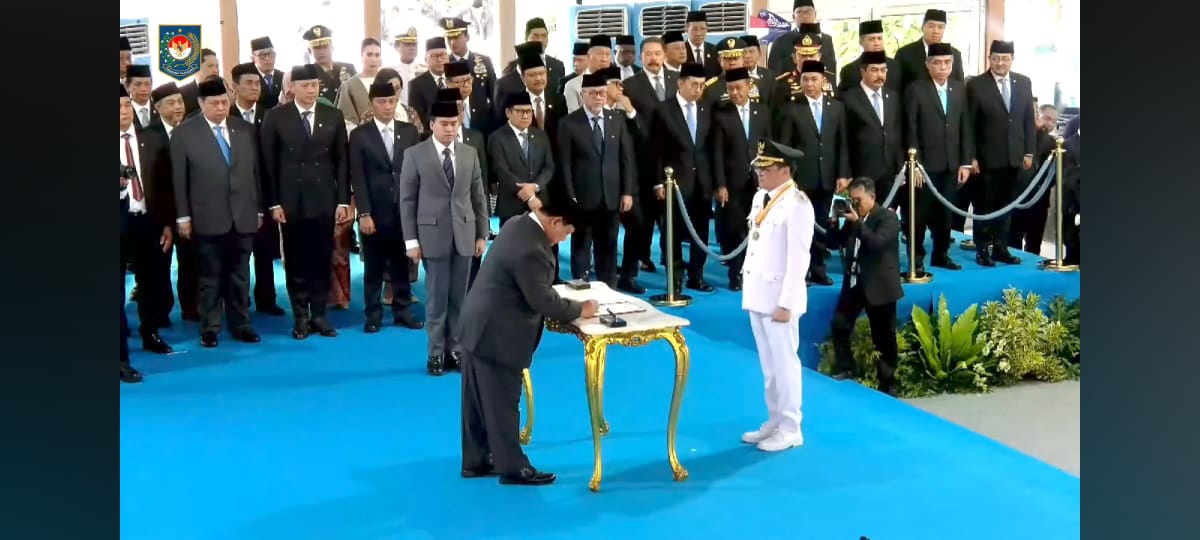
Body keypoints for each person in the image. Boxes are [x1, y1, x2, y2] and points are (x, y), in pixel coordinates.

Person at [458, 185, 599, 485]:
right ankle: (513, 467)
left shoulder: (517, 223)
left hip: (477, 324)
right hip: (497, 333)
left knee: (477, 401)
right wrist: (581, 309)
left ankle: (476, 460)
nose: (564, 239)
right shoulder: (532, 249)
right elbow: (542, 300)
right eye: (566, 232)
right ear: (555, 221)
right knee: (503, 402)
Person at [260, 64, 352, 339]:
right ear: (292, 88)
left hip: (324, 199)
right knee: (296, 260)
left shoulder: (333, 115)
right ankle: (300, 316)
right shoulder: (276, 117)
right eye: (305, 86)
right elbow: (268, 164)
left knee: (322, 258)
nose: (311, 90)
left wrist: (343, 201)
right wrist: (273, 203)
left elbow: (342, 162)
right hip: (290, 202)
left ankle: (319, 315)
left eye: (315, 85)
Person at [170, 78, 264, 348]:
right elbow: (179, 179)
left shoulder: (244, 129)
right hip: (206, 217)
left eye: (225, 102)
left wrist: (259, 208)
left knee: (240, 274)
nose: (221, 108)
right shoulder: (185, 133)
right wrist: (183, 217)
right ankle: (210, 327)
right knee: (209, 277)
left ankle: (241, 323)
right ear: (201, 103)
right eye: (215, 103)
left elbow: (255, 173)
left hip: (243, 214)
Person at [399, 100, 489, 376]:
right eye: (445, 124)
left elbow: (478, 196)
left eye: (454, 123)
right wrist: (411, 241)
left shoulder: (469, 153)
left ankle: (456, 349)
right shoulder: (415, 154)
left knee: (460, 298)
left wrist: (482, 234)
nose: (450, 129)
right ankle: (435, 352)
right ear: (432, 125)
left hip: (465, 233)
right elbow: (407, 200)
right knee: (437, 299)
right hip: (432, 235)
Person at [739, 139, 813, 452]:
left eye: (766, 168)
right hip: (759, 293)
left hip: (779, 298)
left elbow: (798, 259)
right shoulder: (761, 197)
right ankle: (775, 419)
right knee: (770, 367)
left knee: (785, 364)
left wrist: (787, 303)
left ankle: (791, 427)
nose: (759, 173)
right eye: (758, 167)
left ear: (784, 170)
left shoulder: (797, 204)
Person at [349, 81, 424, 332]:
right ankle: (373, 314)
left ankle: (402, 311)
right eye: (382, 102)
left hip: (404, 210)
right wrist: (364, 213)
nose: (388, 106)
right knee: (374, 266)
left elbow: (416, 172)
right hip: (375, 211)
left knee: (403, 263)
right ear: (372, 104)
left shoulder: (409, 131)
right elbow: (357, 176)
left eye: (392, 101)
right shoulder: (360, 135)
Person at [558, 71, 636, 287]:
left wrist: (627, 192)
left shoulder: (616, 119)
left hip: (611, 195)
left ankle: (608, 287)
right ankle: (580, 287)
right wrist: (570, 195)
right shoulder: (569, 123)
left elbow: (626, 158)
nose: (598, 97)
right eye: (592, 93)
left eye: (601, 93)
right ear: (583, 95)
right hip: (582, 196)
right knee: (581, 244)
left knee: (609, 244)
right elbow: (564, 163)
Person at [777, 60, 850, 286]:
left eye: (814, 79)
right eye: (805, 79)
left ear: (823, 81)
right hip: (801, 178)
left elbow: (843, 143)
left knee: (821, 224)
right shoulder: (791, 108)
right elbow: (785, 146)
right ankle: (800, 272)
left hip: (827, 176)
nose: (809, 84)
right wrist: (789, 177)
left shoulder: (836, 107)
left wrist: (843, 174)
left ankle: (818, 269)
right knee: (799, 227)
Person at [829, 177, 904, 396]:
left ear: (872, 197)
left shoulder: (888, 218)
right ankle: (845, 367)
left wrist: (857, 223)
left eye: (858, 200)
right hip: (854, 283)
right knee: (840, 325)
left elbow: (876, 243)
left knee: (884, 337)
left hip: (879, 285)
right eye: (851, 200)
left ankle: (888, 383)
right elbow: (833, 243)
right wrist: (834, 220)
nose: (855, 205)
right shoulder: (854, 219)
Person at [965, 40, 1035, 267]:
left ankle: (1001, 249)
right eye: (995, 58)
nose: (1000, 63)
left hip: (1014, 157)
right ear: (989, 59)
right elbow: (969, 124)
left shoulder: (1023, 82)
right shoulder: (976, 85)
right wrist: (971, 157)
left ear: (1012, 59)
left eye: (1005, 59)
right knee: (984, 206)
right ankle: (982, 249)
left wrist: (1029, 152)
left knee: (1007, 206)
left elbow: (1028, 120)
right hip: (986, 159)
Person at [905, 42, 972, 272]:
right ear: (928, 64)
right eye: (937, 63)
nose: (943, 67)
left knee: (946, 213)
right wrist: (915, 164)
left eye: (947, 62)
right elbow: (911, 128)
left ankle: (941, 254)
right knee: (919, 214)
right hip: (924, 165)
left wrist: (965, 162)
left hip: (951, 164)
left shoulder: (959, 89)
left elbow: (965, 127)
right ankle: (916, 258)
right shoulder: (916, 89)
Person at [120, 84, 175, 355]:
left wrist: (166, 223)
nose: (123, 112)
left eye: (126, 106)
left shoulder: (153, 139)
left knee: (151, 280)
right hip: (119, 222)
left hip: (149, 221)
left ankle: (150, 332)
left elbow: (165, 186)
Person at [712, 67, 771, 291]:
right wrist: (720, 184)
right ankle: (736, 274)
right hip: (733, 183)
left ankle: (756, 271)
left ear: (749, 86)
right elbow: (717, 153)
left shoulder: (762, 111)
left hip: (759, 182)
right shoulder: (722, 115)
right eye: (730, 89)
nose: (735, 92)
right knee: (736, 229)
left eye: (739, 88)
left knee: (759, 228)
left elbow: (769, 146)